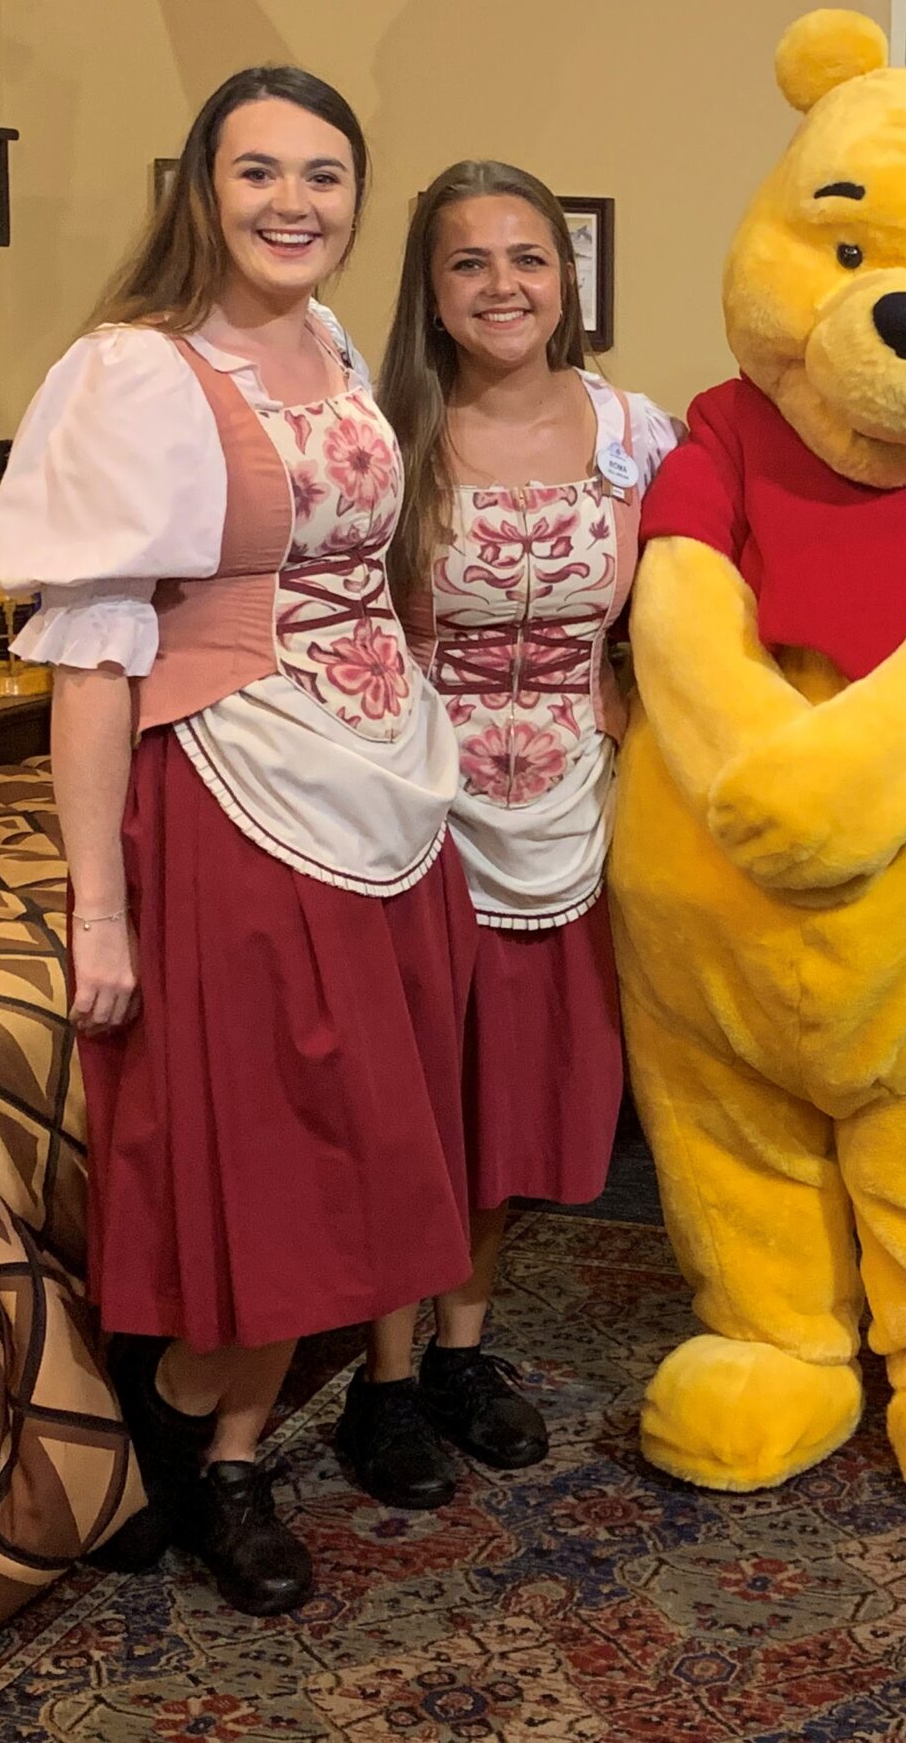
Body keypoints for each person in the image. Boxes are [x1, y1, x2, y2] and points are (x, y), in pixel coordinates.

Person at [0, 66, 474, 1616]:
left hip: (378, 773)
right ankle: (217, 1450)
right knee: (269, 1138)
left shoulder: (332, 347)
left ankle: (191, 1418)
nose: (292, 204)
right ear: (200, 188)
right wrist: (100, 909)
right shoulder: (138, 370)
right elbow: (91, 657)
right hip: (231, 786)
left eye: (323, 176)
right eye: (257, 172)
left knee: (359, 1132)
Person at [367, 159, 678, 1489]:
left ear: (569, 280)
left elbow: (683, 606)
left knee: (500, 1109)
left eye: (527, 259)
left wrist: (628, 698)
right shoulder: (383, 436)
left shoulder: (633, 432)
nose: (503, 286)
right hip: (411, 806)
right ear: (431, 295)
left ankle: (459, 1349)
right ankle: (380, 1385)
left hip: (571, 808)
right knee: (413, 1105)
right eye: (469, 264)